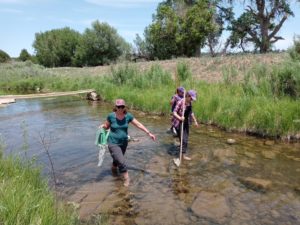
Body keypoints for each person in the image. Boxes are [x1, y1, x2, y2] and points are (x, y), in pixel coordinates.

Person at [100, 99, 156, 187]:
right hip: (113, 143)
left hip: (123, 143)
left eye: (122, 107)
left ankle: (114, 172)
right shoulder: (111, 116)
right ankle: (127, 181)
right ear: (116, 107)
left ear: (124, 107)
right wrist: (103, 127)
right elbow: (106, 127)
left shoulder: (128, 116)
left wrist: (149, 133)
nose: (120, 109)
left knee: (116, 161)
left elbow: (139, 124)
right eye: (119, 107)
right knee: (122, 162)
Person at [172, 90, 199, 160]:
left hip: (186, 122)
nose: (192, 100)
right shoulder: (180, 102)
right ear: (187, 96)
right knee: (183, 140)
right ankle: (181, 156)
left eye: (193, 99)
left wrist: (195, 121)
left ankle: (183, 155)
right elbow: (174, 112)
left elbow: (191, 113)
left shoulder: (190, 103)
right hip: (178, 123)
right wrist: (180, 117)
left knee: (185, 140)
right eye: (191, 98)